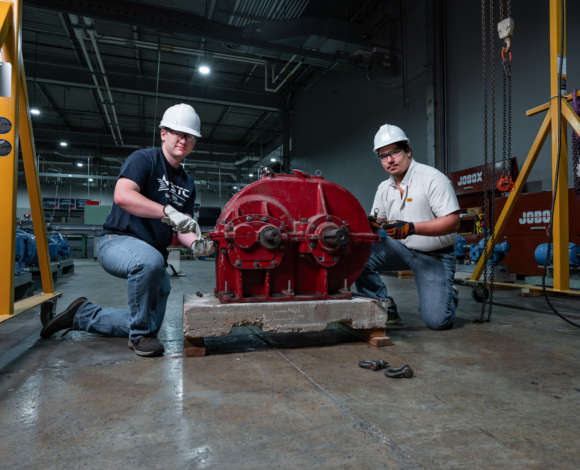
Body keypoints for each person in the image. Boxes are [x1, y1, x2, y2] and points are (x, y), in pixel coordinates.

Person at [40, 104, 215, 356]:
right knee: (149, 268)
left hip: (154, 255)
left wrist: (197, 244)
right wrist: (168, 211)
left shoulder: (188, 183)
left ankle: (82, 315)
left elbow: (183, 227)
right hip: (117, 241)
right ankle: (139, 337)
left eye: (189, 135)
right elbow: (123, 196)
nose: (183, 139)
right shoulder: (144, 159)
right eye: (177, 132)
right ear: (163, 133)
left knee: (152, 322)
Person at [355, 124, 460, 330]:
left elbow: (453, 222)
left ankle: (448, 294)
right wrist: (368, 225)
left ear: (408, 152)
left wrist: (411, 228)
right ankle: (386, 308)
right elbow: (375, 226)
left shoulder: (432, 179)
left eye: (394, 152)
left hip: (435, 255)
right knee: (357, 253)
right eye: (383, 156)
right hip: (401, 249)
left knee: (437, 322)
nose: (389, 160)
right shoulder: (384, 188)